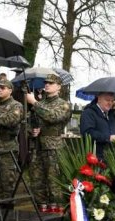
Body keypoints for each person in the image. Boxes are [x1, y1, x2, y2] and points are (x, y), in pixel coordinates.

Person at [25, 74, 72, 213]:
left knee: (54, 180)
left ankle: (56, 211)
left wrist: (34, 103)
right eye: (46, 83)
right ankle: (41, 208)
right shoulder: (41, 103)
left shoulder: (63, 104)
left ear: (58, 87)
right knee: (36, 179)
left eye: (51, 83)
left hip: (53, 147)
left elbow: (53, 116)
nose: (47, 85)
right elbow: (29, 121)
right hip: (37, 145)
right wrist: (31, 130)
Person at [0, 79, 23, 201]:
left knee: (7, 181)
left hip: (8, 148)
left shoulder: (16, 105)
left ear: (10, 90)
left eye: (3, 88)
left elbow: (10, 120)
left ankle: (8, 209)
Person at [80, 91, 115, 159]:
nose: (110, 103)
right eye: (107, 100)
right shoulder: (88, 113)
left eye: (112, 100)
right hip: (95, 157)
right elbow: (87, 132)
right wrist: (107, 138)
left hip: (111, 156)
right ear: (99, 99)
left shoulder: (111, 115)